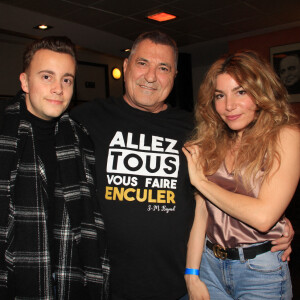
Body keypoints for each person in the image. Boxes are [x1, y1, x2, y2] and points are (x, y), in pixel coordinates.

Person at [71, 33, 294, 300]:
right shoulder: (85, 118)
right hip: (105, 281)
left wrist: (278, 223)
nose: (151, 76)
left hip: (179, 284)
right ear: (126, 66)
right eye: (142, 63)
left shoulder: (197, 130)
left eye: (163, 68)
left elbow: (222, 195)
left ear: (174, 75)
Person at [183, 50, 300, 299]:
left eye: (241, 92)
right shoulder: (212, 142)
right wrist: (191, 274)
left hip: (259, 272)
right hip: (209, 265)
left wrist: (201, 182)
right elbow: (202, 214)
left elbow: (264, 217)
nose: (229, 106)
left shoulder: (284, 136)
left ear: (261, 92)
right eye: (220, 96)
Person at [0, 36, 109, 299]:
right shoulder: (4, 137)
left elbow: (91, 216)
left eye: (67, 79)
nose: (58, 88)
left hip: (71, 277)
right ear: (25, 82)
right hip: (16, 279)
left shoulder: (81, 138)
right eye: (47, 77)